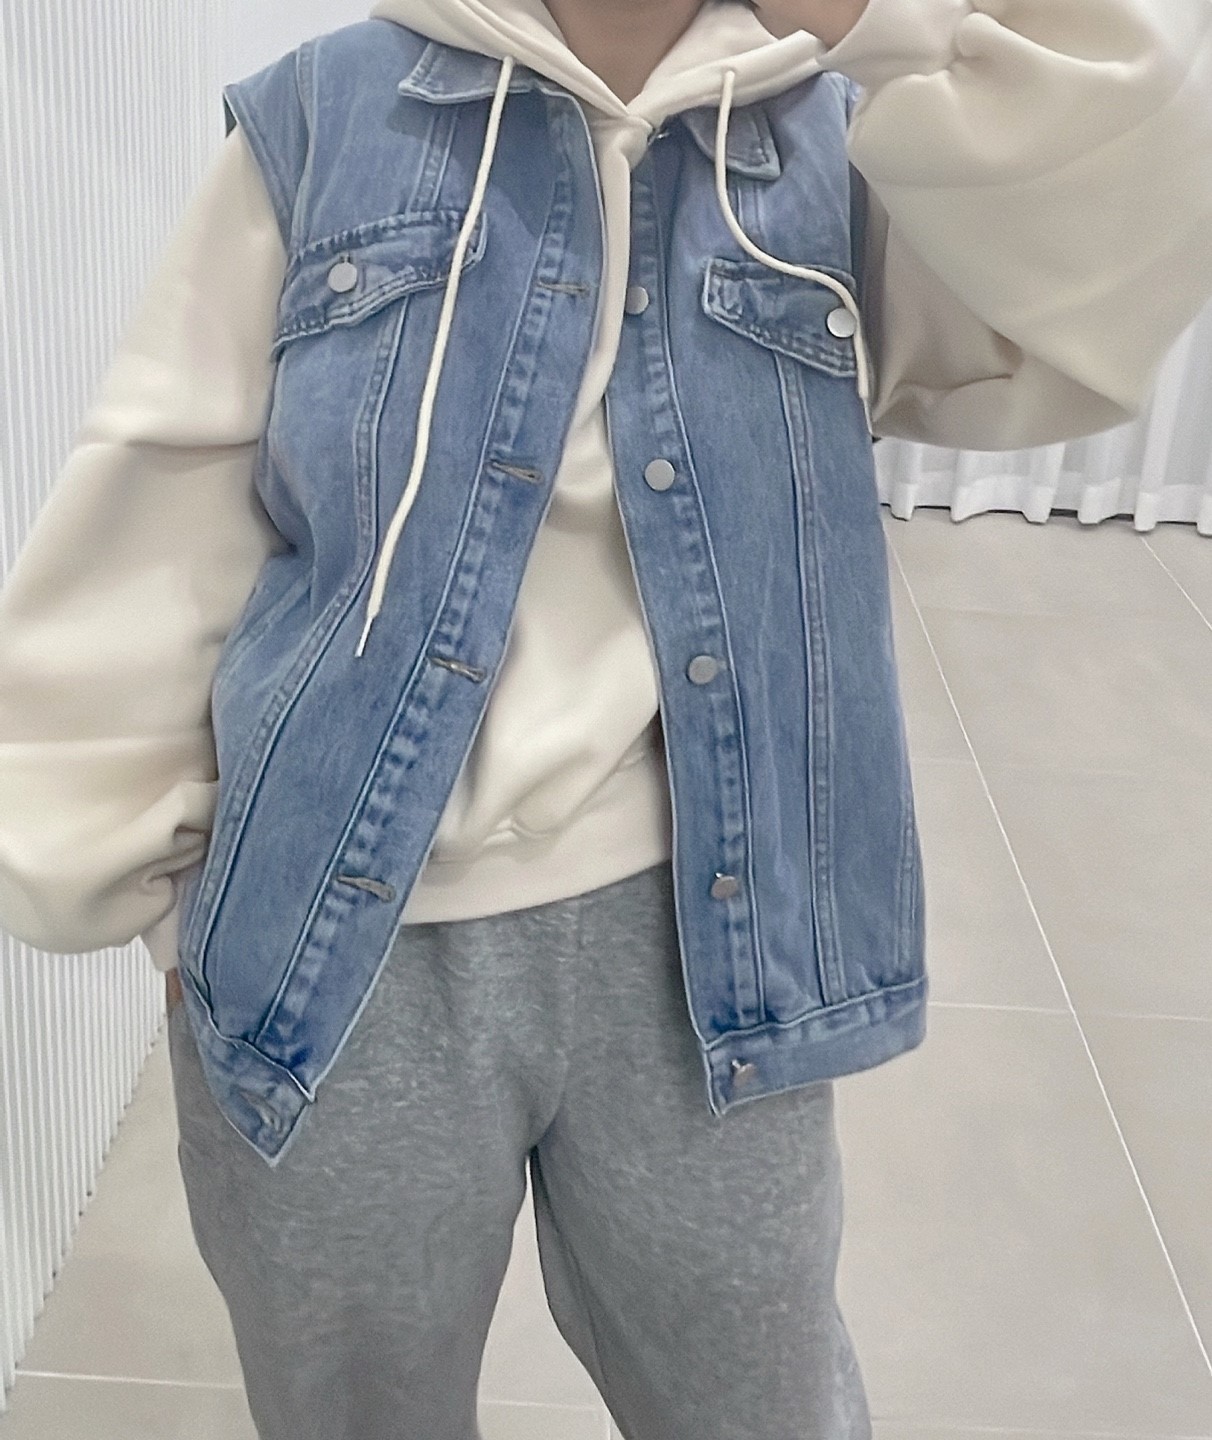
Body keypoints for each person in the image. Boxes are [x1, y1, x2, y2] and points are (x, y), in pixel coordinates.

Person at [2, 0, 1211, 1436]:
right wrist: (158, 903)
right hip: (339, 954)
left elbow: (1119, 213)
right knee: (353, 1410)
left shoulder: (841, 139)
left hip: (709, 938)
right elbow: (168, 495)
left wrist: (866, 21)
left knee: (759, 1400)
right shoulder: (327, 114)